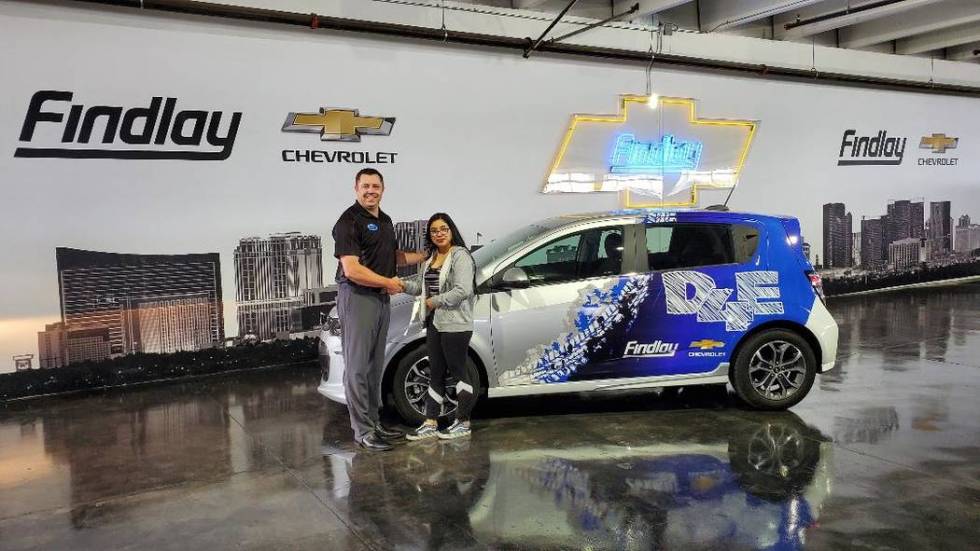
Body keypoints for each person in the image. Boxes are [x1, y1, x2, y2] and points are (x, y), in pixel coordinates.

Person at [332, 168, 425, 451]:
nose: (371, 191)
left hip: (381, 298)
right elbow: (352, 269)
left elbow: (393, 257)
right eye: (365, 186)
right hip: (358, 297)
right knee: (358, 368)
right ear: (356, 188)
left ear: (383, 189)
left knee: (374, 367)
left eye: (376, 186)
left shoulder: (384, 220)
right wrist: (389, 283)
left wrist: (430, 254)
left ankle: (374, 423)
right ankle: (362, 432)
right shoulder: (348, 221)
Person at [401, 213, 478, 440]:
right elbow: (420, 287)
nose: (439, 233)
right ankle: (430, 422)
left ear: (451, 230)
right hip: (435, 322)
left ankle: (463, 422)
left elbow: (462, 290)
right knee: (435, 372)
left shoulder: (460, 256)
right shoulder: (432, 258)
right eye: (434, 231)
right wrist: (401, 285)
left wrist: (435, 301)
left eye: (443, 229)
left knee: (458, 373)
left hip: (456, 324)